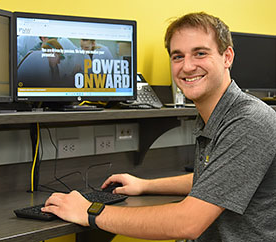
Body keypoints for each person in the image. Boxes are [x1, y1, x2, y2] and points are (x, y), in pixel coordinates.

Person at [42, 12, 276, 241]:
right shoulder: (215, 113)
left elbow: (188, 223)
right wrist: (144, 185)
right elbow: (214, 180)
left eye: (200, 53)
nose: (187, 66)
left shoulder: (249, 120)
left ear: (227, 57)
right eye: (178, 56)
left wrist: (89, 211)